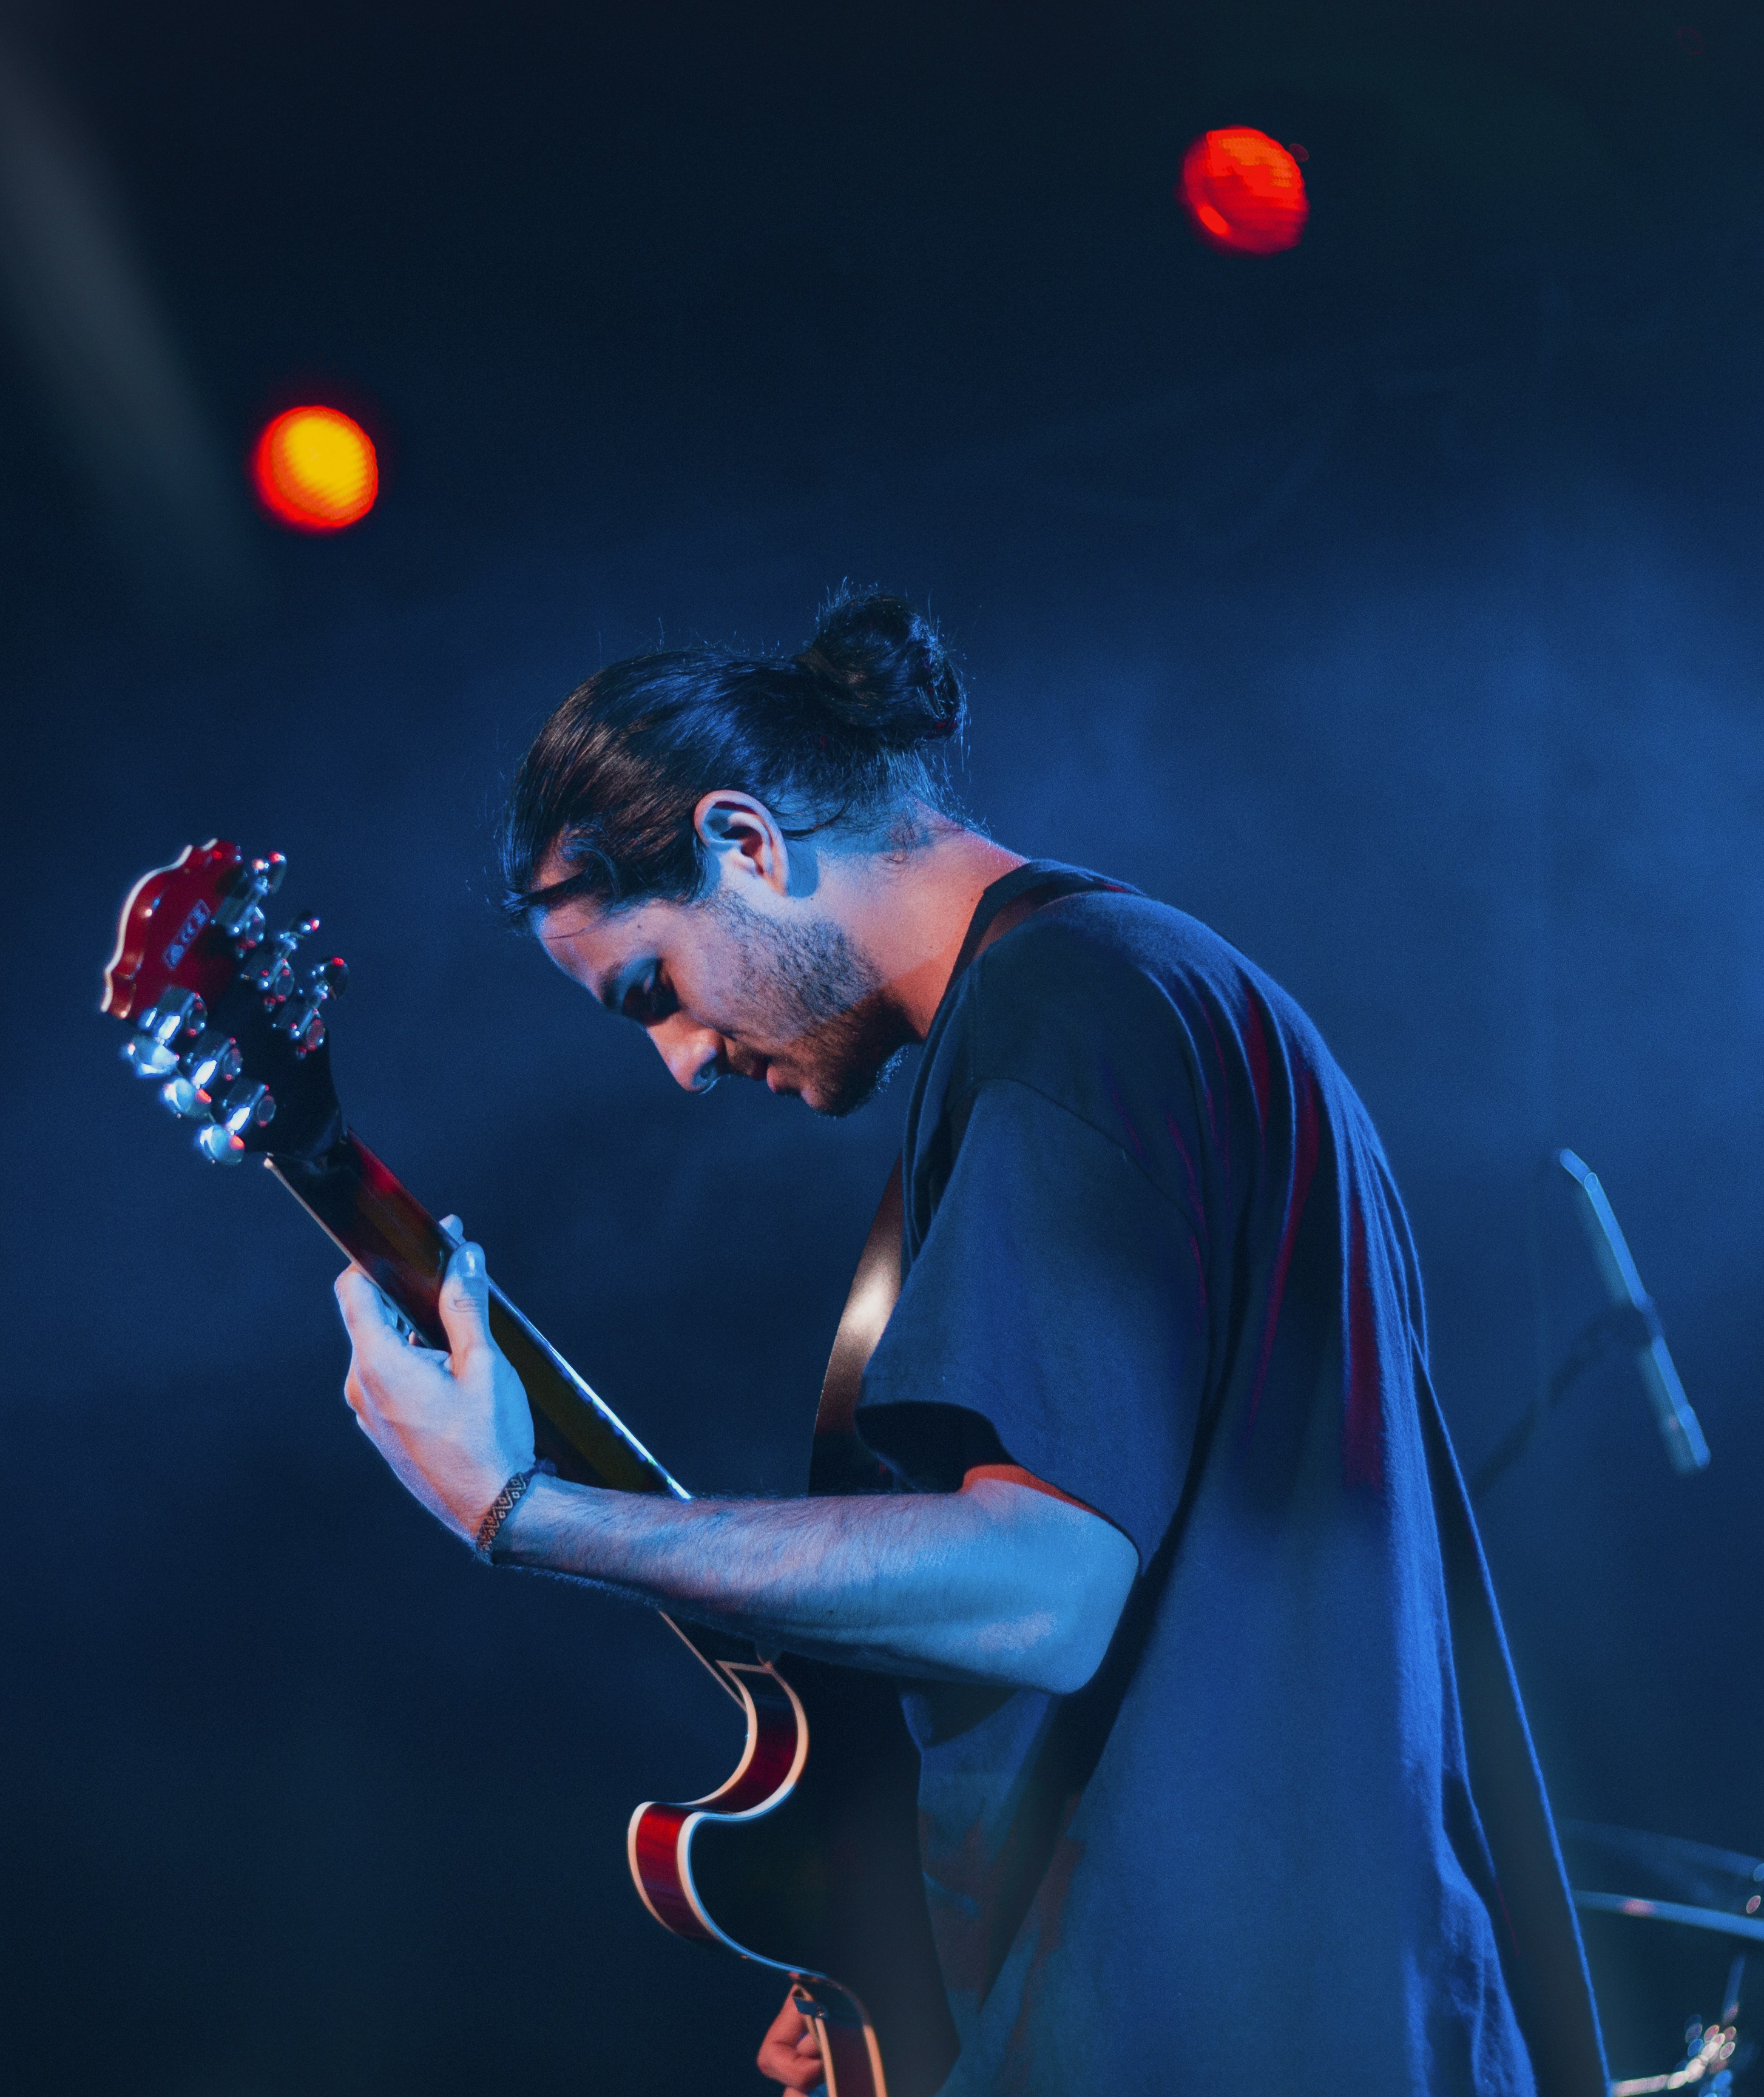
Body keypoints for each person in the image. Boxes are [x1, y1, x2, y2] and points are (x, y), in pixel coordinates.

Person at [329, 588, 1609, 2097]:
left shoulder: (1069, 1019)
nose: (680, 1062)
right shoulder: (1153, 997)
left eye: (652, 990)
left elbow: (1043, 1592)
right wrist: (900, 1958)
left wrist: (531, 1516)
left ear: (747, 843)